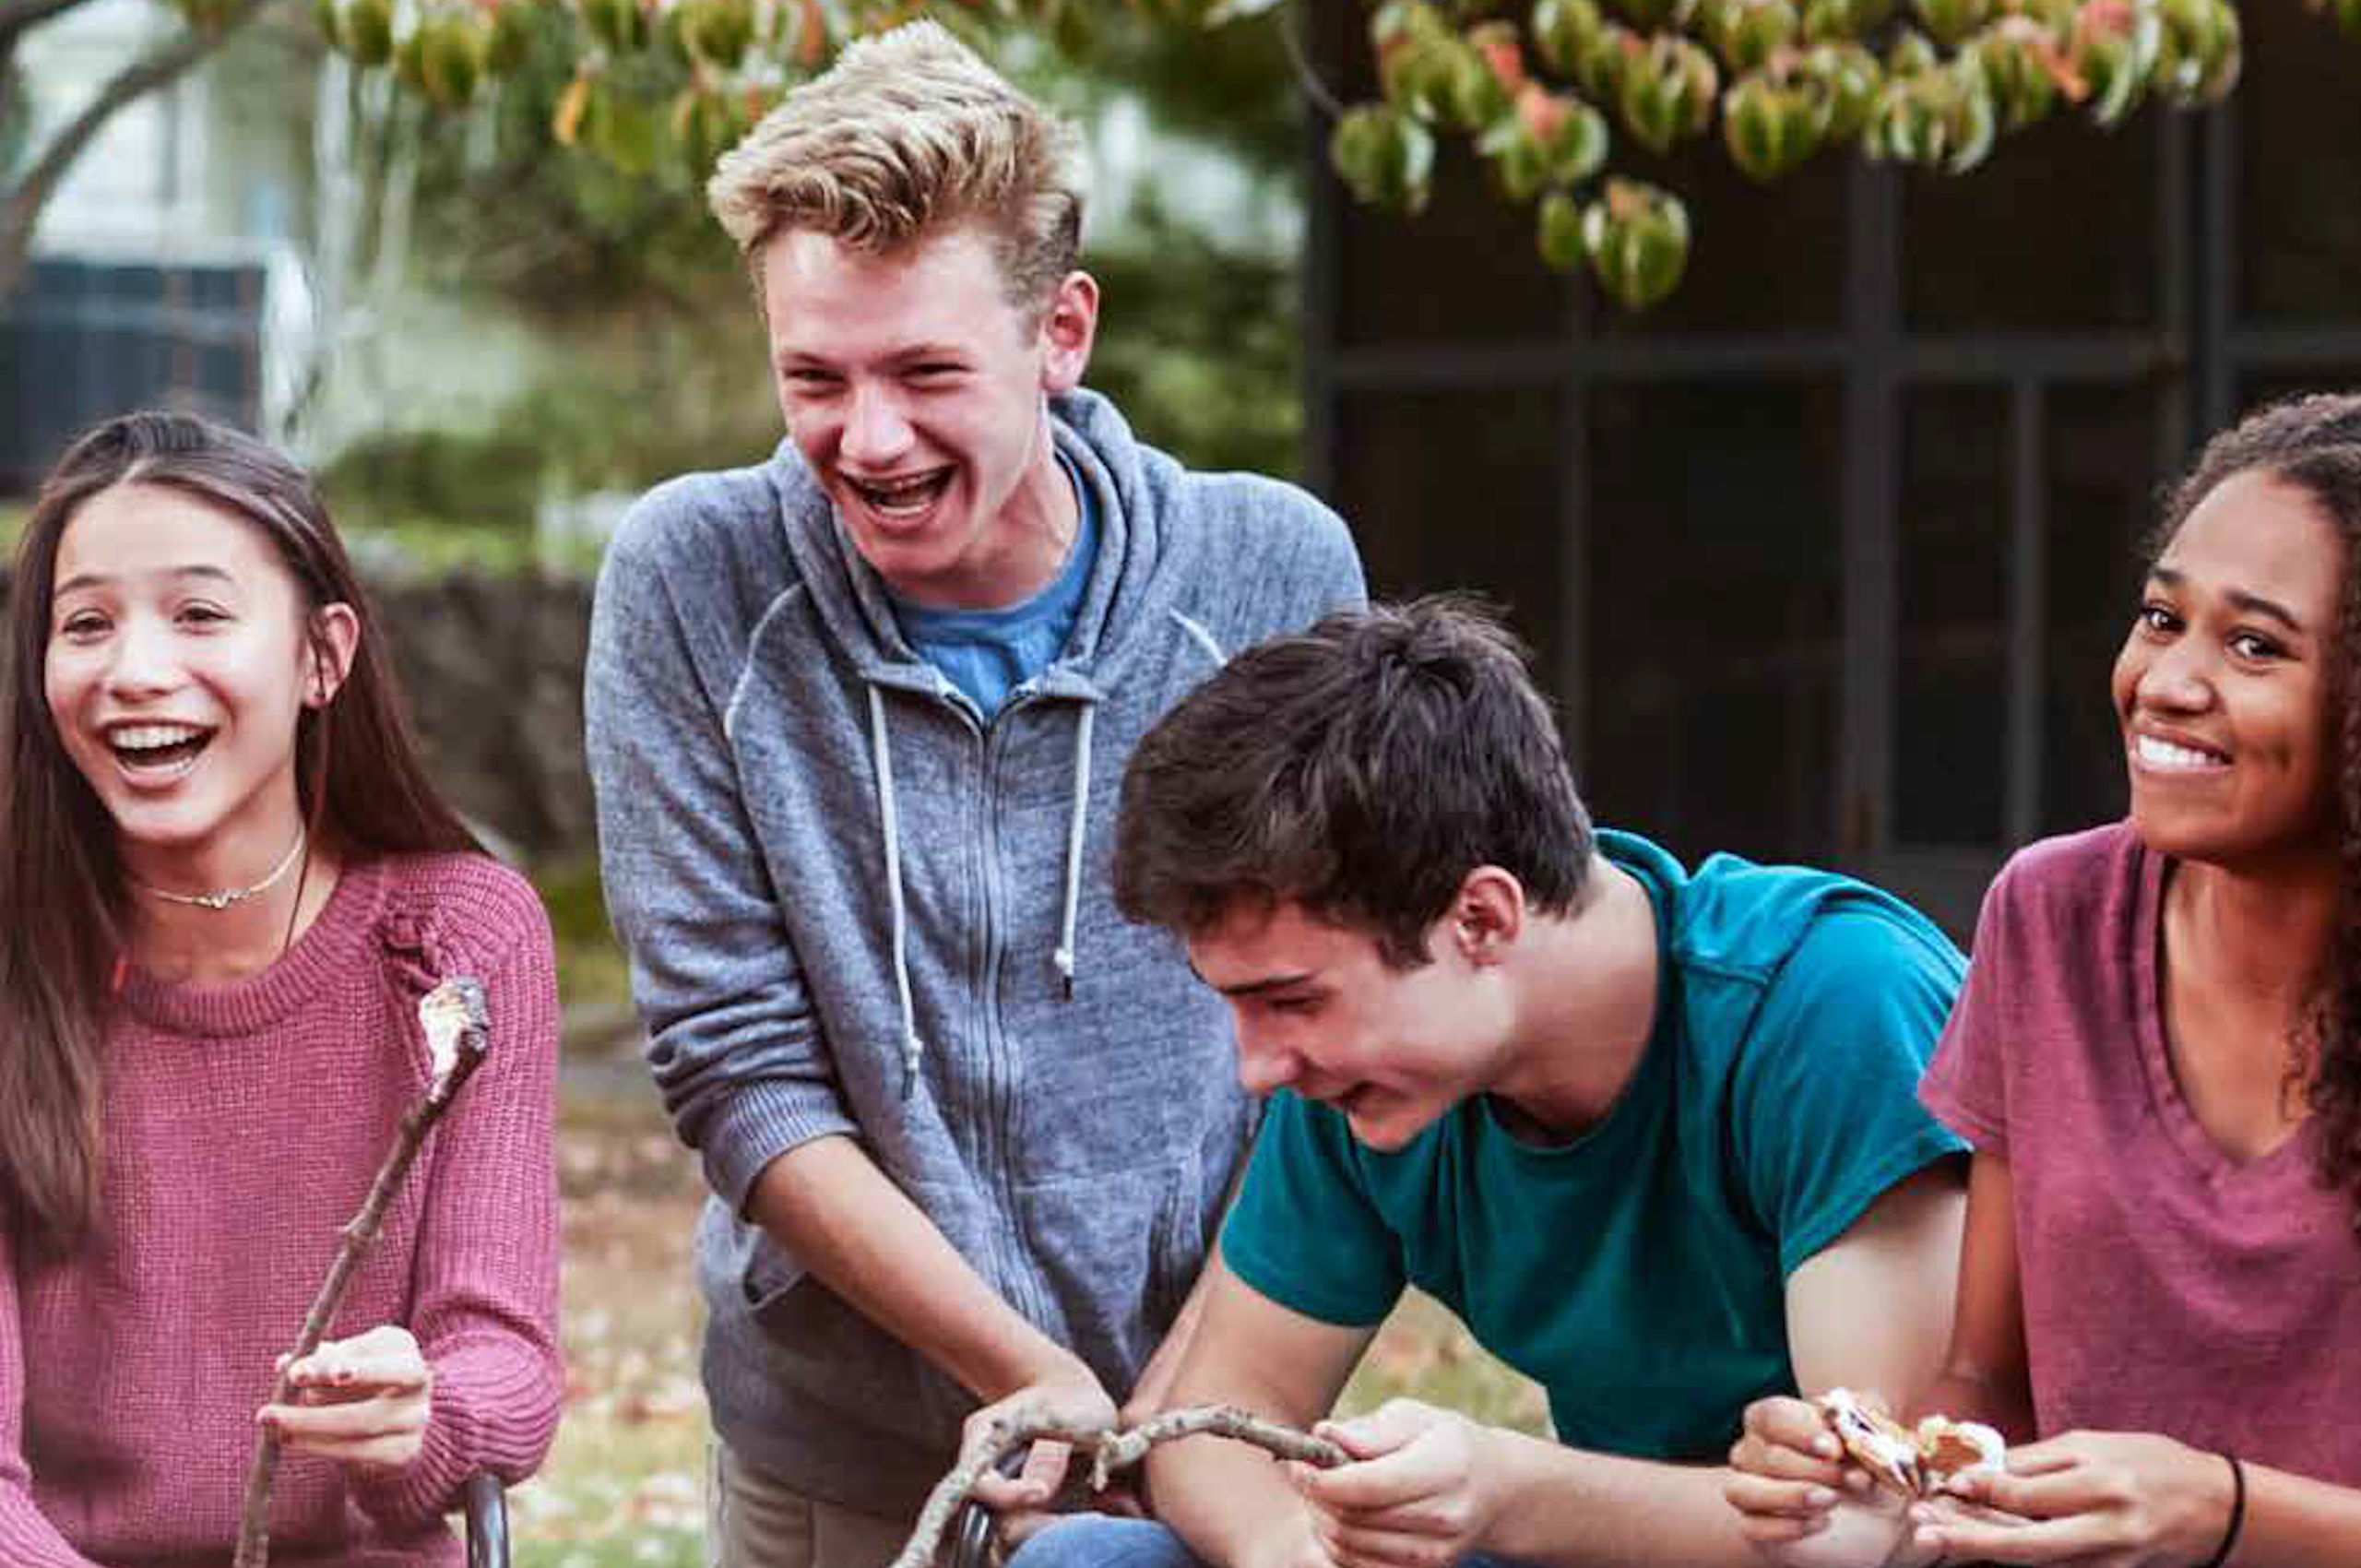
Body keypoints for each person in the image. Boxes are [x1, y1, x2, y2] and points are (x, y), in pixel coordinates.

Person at [579, 19, 1366, 1566]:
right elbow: (734, 1064)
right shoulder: (692, 583)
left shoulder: (1273, 573)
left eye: (926, 371)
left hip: (1202, 1440)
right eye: (815, 376)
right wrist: (1025, 1374)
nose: (866, 441)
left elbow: (1332, 1042)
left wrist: (1177, 1416)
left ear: (1061, 331)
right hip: (843, 1461)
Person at [1006, 597, 1970, 1568]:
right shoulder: (1370, 1080)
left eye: (1290, 999)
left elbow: (1881, 1524)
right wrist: (1289, 1550)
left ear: (1479, 917)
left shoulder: (1832, 1004)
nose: (1258, 1065)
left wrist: (1505, 1489)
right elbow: (1213, 1424)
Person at [1726, 391, 2361, 1568]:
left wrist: (2225, 1512)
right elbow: (1990, 1374)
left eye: (2255, 644)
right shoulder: (2050, 918)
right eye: (2161, 616)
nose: (2166, 680)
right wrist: (1893, 1469)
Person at [0, 410, 563, 1568]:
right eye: (86, 624)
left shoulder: (458, 940)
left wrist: (425, 1411)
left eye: (200, 613)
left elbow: (503, 1359)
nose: (136, 670)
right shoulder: (15, 955)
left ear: (323, 654)